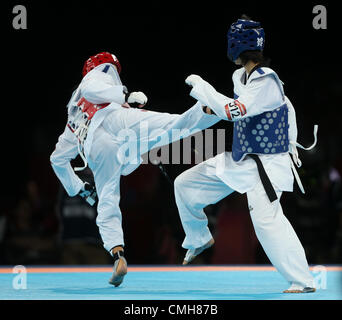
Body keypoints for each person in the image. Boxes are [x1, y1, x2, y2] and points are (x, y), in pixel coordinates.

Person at [50, 52, 219, 287]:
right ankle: (209, 111)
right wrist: (124, 94)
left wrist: (78, 188)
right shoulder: (100, 72)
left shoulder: (72, 114)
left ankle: (117, 253)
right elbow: (92, 90)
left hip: (100, 147)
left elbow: (57, 159)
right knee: (169, 125)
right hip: (116, 123)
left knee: (108, 198)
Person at [174, 18, 317, 293]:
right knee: (186, 185)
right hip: (243, 159)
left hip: (267, 163)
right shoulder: (242, 78)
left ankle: (303, 281)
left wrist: (203, 88)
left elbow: (234, 111)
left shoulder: (267, 81)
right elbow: (271, 109)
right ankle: (198, 237)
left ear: (237, 44)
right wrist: (209, 109)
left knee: (266, 221)